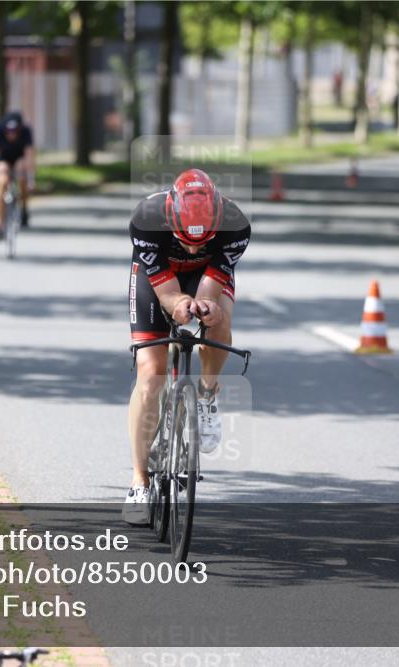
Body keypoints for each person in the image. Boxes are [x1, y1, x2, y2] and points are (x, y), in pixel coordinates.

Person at [122, 169, 251, 525]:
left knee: (218, 317)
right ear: (171, 216)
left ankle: (207, 395)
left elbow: (210, 289)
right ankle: (138, 480)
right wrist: (178, 304)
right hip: (158, 277)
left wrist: (204, 307)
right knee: (150, 374)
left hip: (205, 275)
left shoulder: (235, 224)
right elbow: (166, 292)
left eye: (202, 240)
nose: (194, 246)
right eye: (186, 239)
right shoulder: (147, 219)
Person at [0, 111, 36, 239]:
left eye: (14, 131)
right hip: (4, 159)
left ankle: (24, 209)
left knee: (22, 174)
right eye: (8, 131)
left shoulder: (26, 132)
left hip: (19, 158)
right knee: (2, 182)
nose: (11, 134)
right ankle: (0, 224)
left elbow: (29, 155)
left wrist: (31, 179)